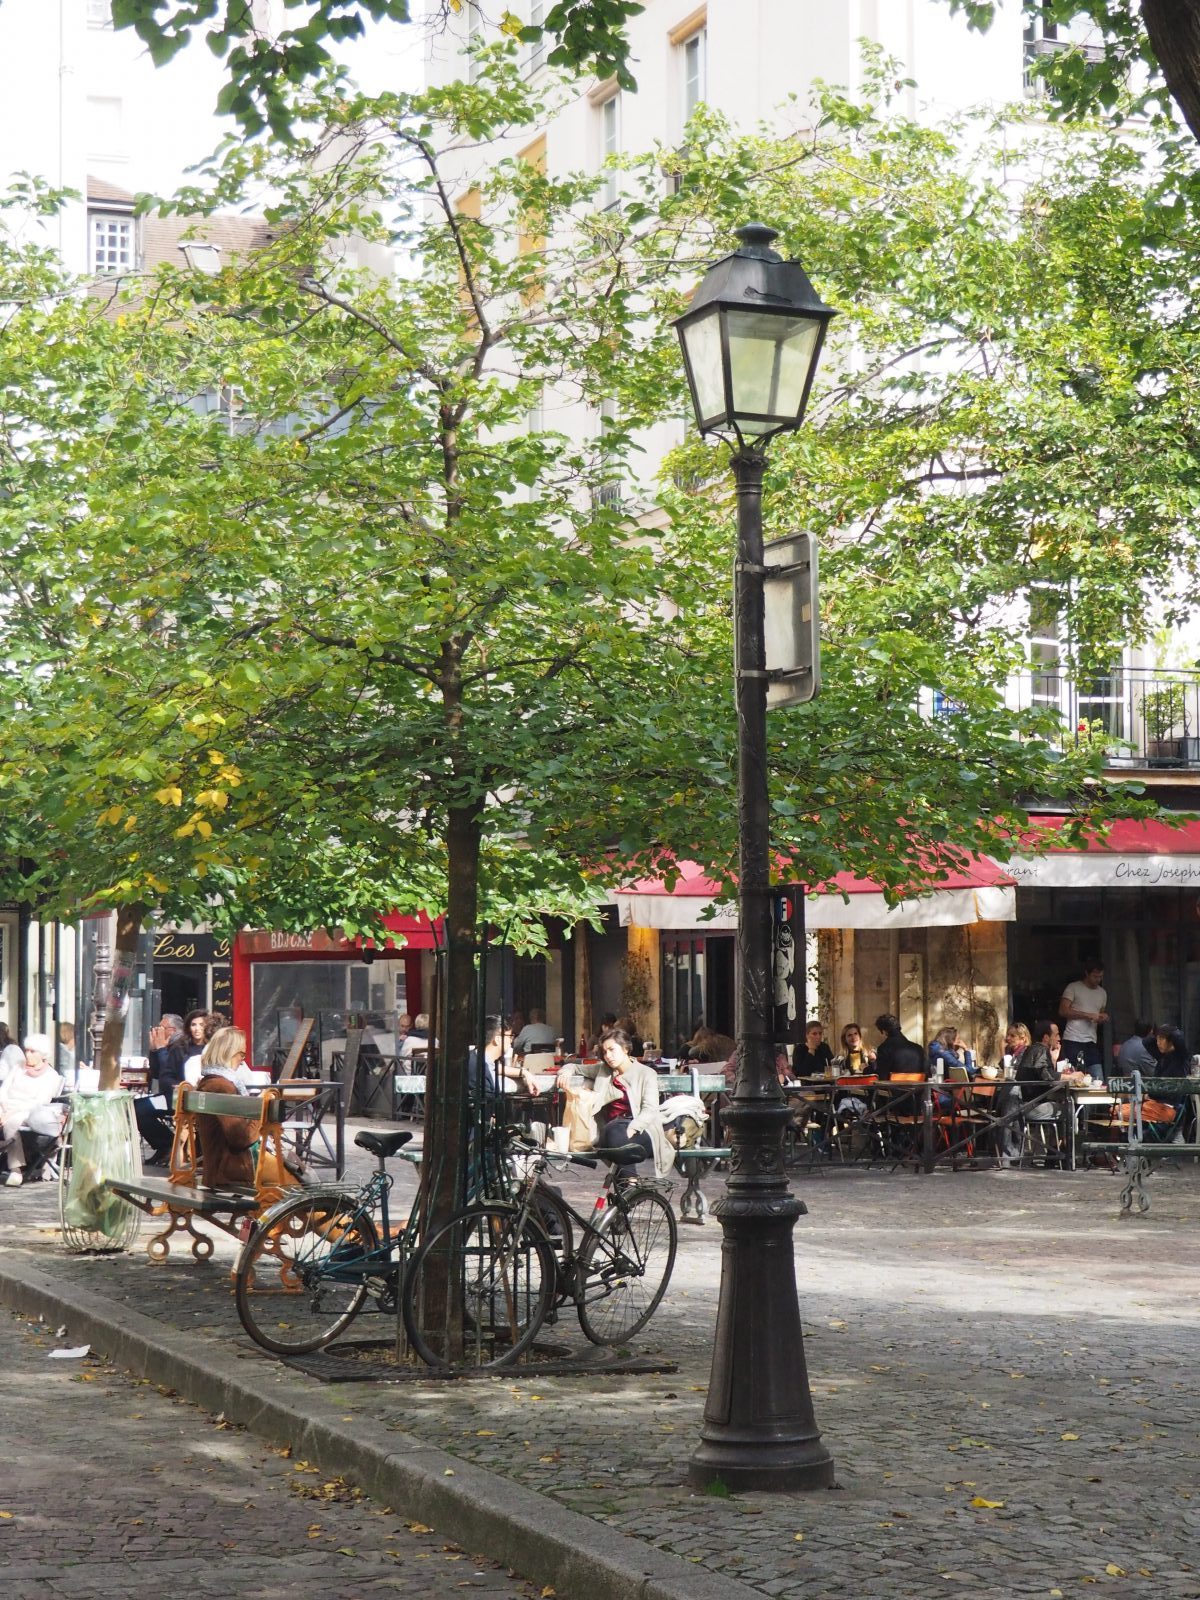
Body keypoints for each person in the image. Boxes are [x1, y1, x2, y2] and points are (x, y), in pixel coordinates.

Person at [557, 1027, 674, 1177]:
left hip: (642, 1131)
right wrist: (566, 1072)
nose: (608, 1056)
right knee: (611, 1132)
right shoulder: (603, 1070)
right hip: (610, 1132)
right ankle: (629, 1190)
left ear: (626, 1049)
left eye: (612, 1050)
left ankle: (629, 1182)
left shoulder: (646, 1073)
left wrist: (633, 1128)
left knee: (614, 1133)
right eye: (605, 1052)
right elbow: (572, 1066)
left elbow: (650, 1109)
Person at [1, 1033, 64, 1186]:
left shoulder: (51, 1076)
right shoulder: (18, 1068)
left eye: (32, 1051)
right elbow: (3, 1090)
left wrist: (10, 1112)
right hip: (6, 1107)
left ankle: (15, 1169)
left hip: (29, 1113)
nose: (27, 1054)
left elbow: (39, 1103)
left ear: (43, 1055)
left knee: (12, 1122)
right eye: (26, 1050)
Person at [1059, 959, 1108, 1075]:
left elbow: (1098, 1015)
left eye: (1100, 977)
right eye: (1095, 976)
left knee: (1098, 1077)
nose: (1098, 980)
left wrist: (1102, 1018)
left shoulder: (1102, 993)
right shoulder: (1073, 988)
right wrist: (1088, 1016)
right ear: (1087, 973)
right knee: (1073, 1075)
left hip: (1091, 1040)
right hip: (1073, 1039)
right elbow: (1063, 1010)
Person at [874, 1014, 926, 1079]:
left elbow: (881, 1076)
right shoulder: (918, 1049)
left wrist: (867, 1069)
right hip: (917, 1088)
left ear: (884, 1031)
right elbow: (926, 1073)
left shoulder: (884, 1048)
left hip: (893, 1088)